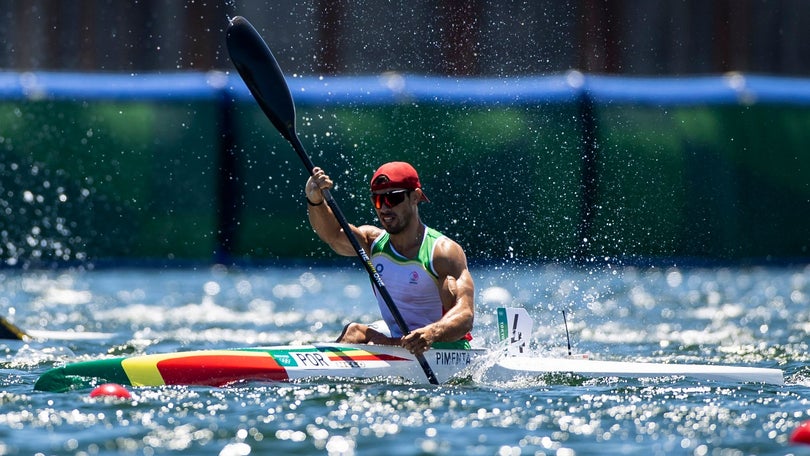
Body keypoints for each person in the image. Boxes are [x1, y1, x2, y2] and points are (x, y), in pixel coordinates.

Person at [305, 161, 474, 355]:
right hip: (400, 340)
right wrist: (316, 201)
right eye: (377, 200)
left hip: (441, 346)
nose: (384, 207)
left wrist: (430, 333)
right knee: (353, 332)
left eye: (393, 198)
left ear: (415, 197)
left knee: (448, 292)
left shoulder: (442, 252)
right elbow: (333, 234)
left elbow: (465, 315)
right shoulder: (372, 242)